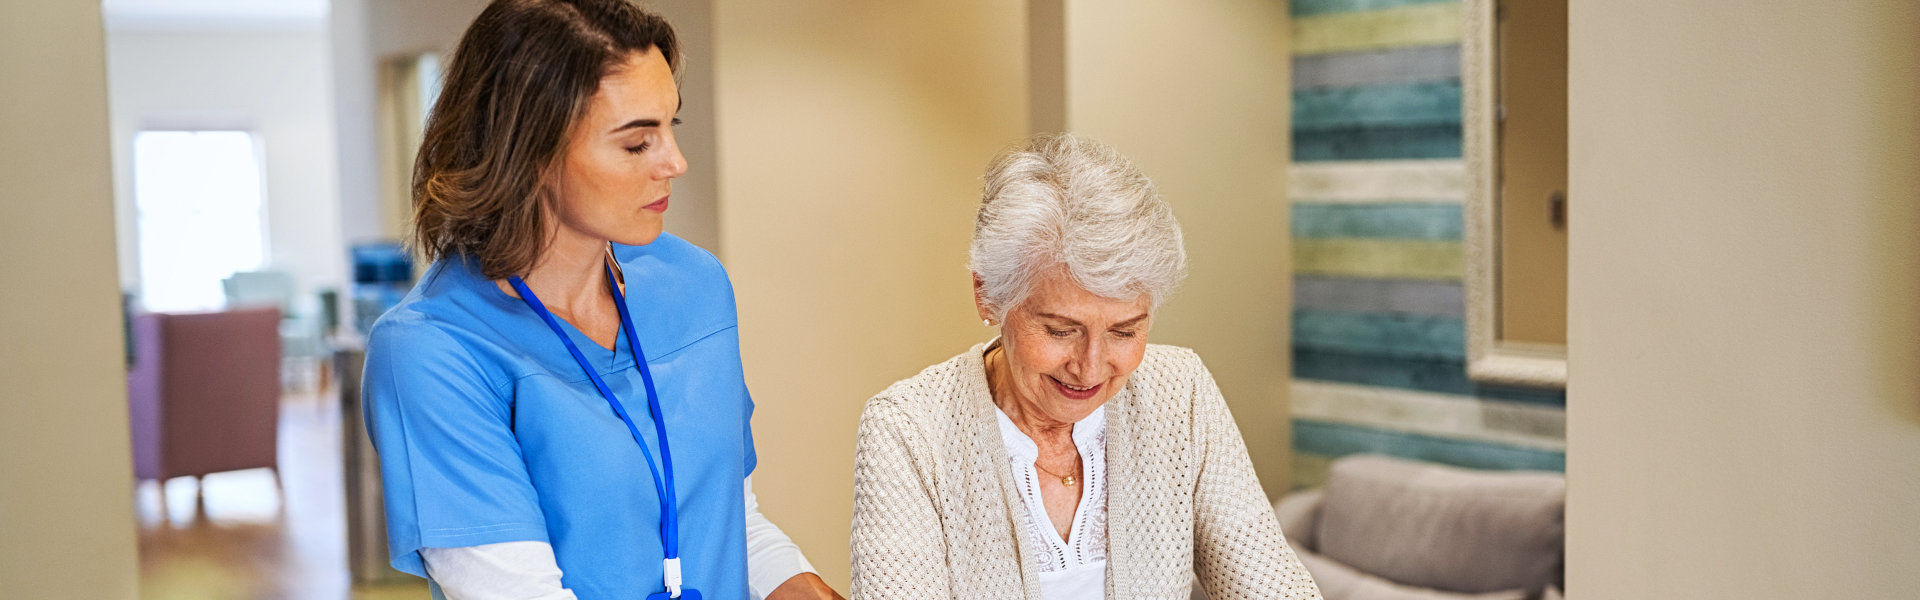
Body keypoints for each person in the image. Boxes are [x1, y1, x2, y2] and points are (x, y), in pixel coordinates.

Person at [361, 1, 842, 598]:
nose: (675, 162)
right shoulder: (432, 352)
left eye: (672, 127)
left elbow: (727, 521)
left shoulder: (694, 284)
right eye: (638, 143)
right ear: (529, 153)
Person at [848, 133, 1322, 600]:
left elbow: (1272, 586)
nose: (1091, 368)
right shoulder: (909, 428)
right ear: (987, 295)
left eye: (1125, 331)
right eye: (1060, 330)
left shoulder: (1182, 391)